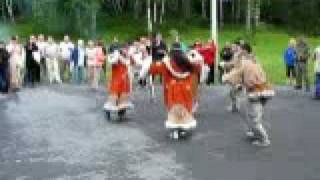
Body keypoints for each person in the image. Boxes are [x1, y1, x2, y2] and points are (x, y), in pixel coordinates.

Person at [139, 43, 200, 135]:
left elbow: (152, 69)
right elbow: (198, 67)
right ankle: (183, 127)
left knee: (174, 108)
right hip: (185, 89)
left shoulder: (166, 63)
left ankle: (175, 129)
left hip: (172, 89)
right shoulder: (188, 62)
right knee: (185, 107)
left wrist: (143, 74)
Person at [223, 54, 274, 147]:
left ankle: (264, 139)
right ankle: (255, 132)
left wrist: (226, 77)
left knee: (254, 118)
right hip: (265, 91)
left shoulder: (244, 65)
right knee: (251, 113)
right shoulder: (254, 63)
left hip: (256, 93)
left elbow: (234, 76)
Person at [104, 45, 134, 111]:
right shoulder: (113, 57)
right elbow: (112, 61)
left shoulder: (127, 57)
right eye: (124, 49)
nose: (126, 51)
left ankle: (122, 106)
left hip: (124, 80)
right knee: (114, 95)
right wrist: (117, 55)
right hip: (116, 80)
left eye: (126, 49)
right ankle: (111, 105)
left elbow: (129, 64)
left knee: (123, 96)